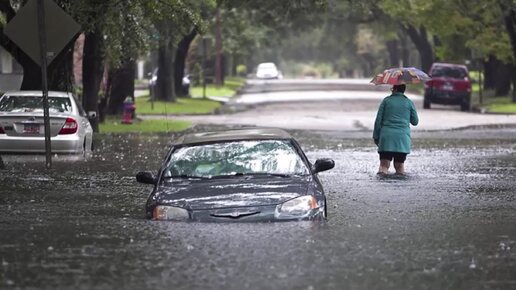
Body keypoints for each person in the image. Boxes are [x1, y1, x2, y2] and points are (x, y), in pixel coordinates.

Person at [373, 84, 419, 175]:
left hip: (387, 138)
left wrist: (376, 136)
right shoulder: (409, 102)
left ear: (395, 89)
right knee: (400, 166)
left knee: (384, 166)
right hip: (402, 139)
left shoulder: (386, 101)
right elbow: (415, 121)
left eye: (392, 88)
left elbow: (378, 120)